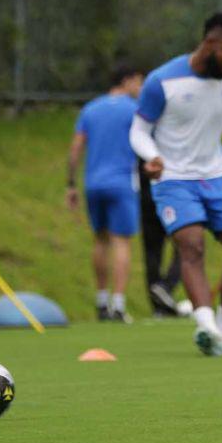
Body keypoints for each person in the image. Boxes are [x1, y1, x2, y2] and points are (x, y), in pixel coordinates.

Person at [129, 12, 222, 356]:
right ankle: (206, 327)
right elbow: (138, 130)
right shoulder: (162, 81)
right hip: (173, 177)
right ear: (209, 44)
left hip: (217, 174)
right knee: (191, 246)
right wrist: (151, 156)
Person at [66, 63, 144, 322]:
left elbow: (76, 147)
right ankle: (118, 305)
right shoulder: (134, 110)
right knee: (121, 241)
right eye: (139, 81)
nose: (141, 88)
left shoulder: (90, 109)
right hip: (122, 183)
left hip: (93, 184)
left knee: (100, 240)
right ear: (128, 79)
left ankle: (101, 301)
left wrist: (71, 184)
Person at [138, 159, 183, 317]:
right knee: (188, 246)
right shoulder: (171, 136)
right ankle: (165, 287)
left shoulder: (141, 138)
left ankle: (158, 307)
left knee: (152, 252)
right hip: (170, 195)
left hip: (146, 196)